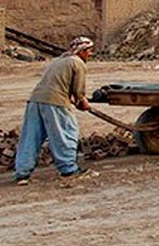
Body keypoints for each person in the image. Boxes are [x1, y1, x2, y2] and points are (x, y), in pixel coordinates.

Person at [13, 36, 97, 184]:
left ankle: (22, 173)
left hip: (35, 100)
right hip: (55, 102)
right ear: (81, 51)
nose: (90, 54)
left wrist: (74, 100)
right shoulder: (77, 63)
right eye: (89, 51)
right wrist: (83, 103)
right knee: (66, 133)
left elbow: (59, 85)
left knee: (31, 137)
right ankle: (68, 169)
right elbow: (78, 93)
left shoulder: (59, 60)